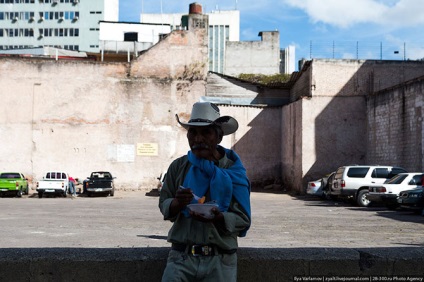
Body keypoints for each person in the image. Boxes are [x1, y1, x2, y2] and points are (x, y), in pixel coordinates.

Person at [159, 102, 251, 282]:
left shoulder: (235, 173)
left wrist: (220, 218)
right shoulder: (178, 167)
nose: (198, 139)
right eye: (192, 132)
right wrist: (177, 204)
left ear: (219, 136)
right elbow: (164, 202)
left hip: (220, 261)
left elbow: (243, 219)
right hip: (181, 259)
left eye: (205, 132)